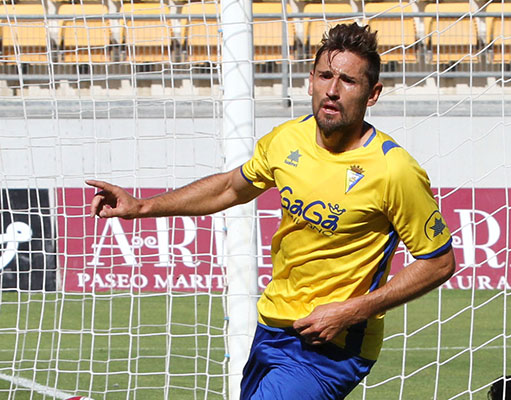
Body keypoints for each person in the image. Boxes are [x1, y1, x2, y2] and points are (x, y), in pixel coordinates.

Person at [87, 23, 455, 400]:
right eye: (326, 76)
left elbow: (439, 262)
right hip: (272, 327)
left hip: (331, 347)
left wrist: (353, 311)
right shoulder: (286, 140)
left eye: (348, 81)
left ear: (373, 93)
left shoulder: (394, 170)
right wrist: (141, 206)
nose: (332, 89)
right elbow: (231, 187)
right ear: (310, 80)